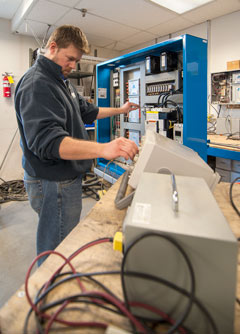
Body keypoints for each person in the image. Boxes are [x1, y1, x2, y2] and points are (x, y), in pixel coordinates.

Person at [15, 25, 139, 265]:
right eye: (70, 58)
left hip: (65, 179)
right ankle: (50, 294)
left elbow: (88, 111)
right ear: (53, 47)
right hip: (53, 182)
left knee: (61, 238)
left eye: (76, 61)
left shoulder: (61, 81)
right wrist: (104, 148)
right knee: (56, 249)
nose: (73, 65)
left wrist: (121, 110)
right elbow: (50, 142)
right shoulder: (37, 84)